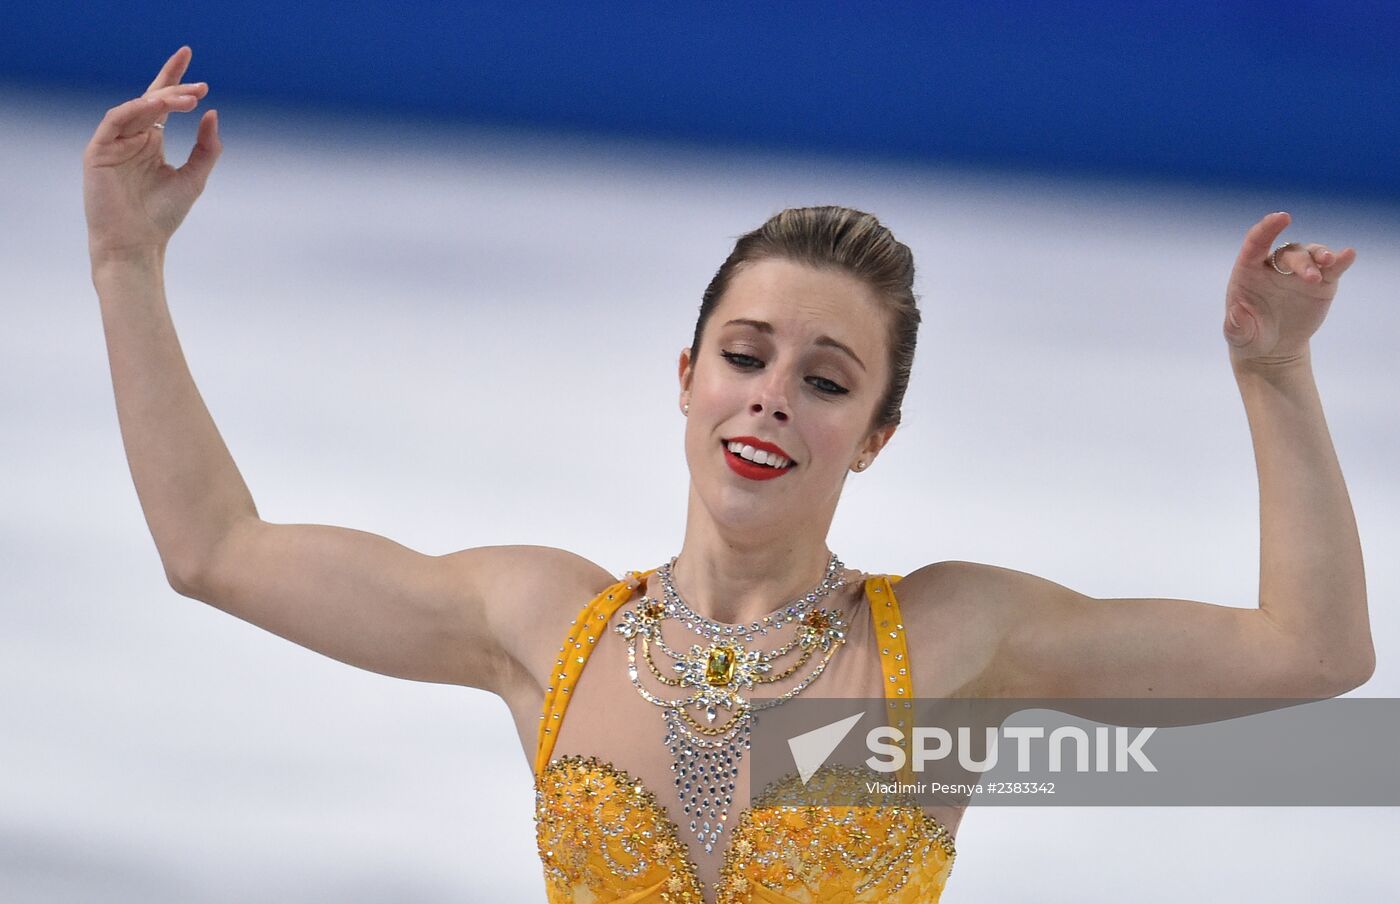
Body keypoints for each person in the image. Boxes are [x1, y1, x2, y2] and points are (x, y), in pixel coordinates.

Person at [85, 47, 1375, 904]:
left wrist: (1275, 379)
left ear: (874, 435)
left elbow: (1311, 653)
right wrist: (126, 268)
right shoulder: (543, 625)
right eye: (746, 355)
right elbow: (215, 549)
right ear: (690, 374)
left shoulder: (956, 638)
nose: (771, 394)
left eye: (825, 380)